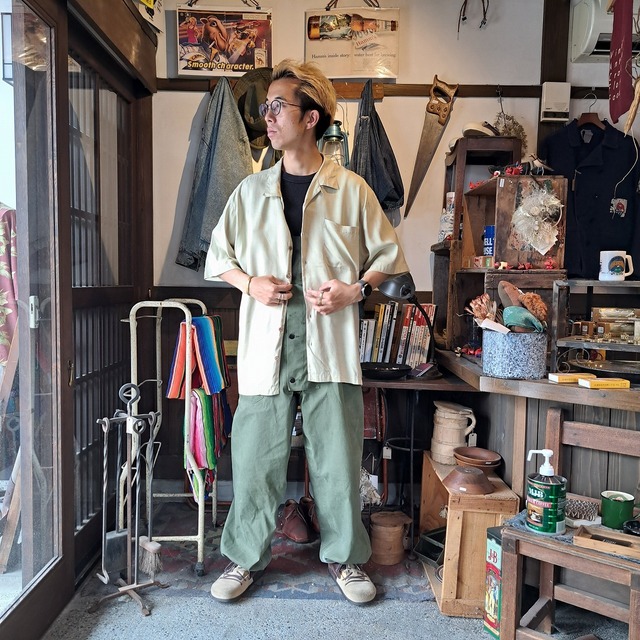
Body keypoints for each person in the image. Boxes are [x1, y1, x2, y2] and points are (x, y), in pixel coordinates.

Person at [204, 59, 409, 605]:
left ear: (311, 116)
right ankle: (245, 557)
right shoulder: (249, 191)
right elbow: (219, 258)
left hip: (329, 341)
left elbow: (388, 258)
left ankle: (346, 558)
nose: (268, 116)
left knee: (337, 458)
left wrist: (353, 291)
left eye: (278, 106)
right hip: (266, 345)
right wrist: (250, 284)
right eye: (266, 107)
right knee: (255, 457)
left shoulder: (352, 190)